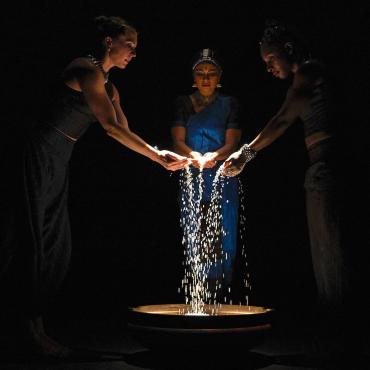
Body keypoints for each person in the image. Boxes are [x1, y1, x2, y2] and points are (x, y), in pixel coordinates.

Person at [0, 15, 188, 358]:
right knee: (31, 237)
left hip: (60, 156)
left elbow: (124, 129)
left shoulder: (111, 86)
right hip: (40, 150)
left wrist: (158, 154)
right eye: (128, 44)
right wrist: (156, 157)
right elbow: (110, 129)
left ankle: (30, 326)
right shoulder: (86, 70)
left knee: (57, 243)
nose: (133, 52)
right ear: (108, 42)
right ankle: (29, 331)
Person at [222, 20, 354, 356]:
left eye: (270, 60)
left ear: (289, 50)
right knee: (328, 252)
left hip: (328, 170)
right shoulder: (312, 73)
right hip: (323, 168)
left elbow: (282, 118)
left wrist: (243, 155)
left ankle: (342, 338)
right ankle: (340, 334)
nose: (268, 68)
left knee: (332, 253)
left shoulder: (309, 72)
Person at [171, 48, 242, 300]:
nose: (205, 77)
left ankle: (221, 291)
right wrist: (195, 157)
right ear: (193, 76)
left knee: (223, 232)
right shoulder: (182, 103)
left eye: (211, 73)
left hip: (222, 173)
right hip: (193, 174)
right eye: (200, 72)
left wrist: (215, 156)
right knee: (196, 231)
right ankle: (198, 290)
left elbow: (233, 143)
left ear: (219, 76)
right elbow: (177, 140)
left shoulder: (230, 104)